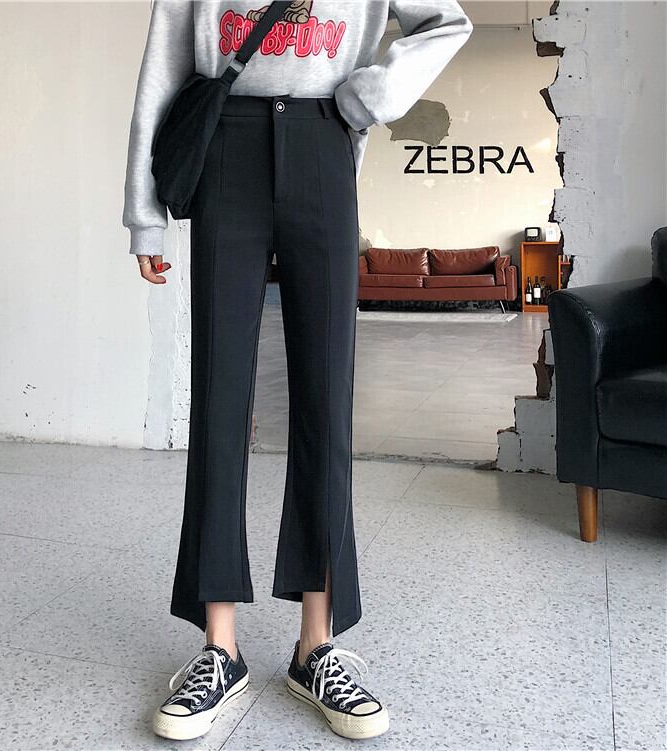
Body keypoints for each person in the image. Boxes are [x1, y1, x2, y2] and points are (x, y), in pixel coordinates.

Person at [122, 0, 472, 741]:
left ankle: (317, 647)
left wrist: (366, 98)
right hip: (225, 142)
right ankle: (219, 648)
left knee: (325, 401)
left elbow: (446, 20)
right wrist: (145, 212)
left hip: (322, 139)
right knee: (218, 399)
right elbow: (164, 65)